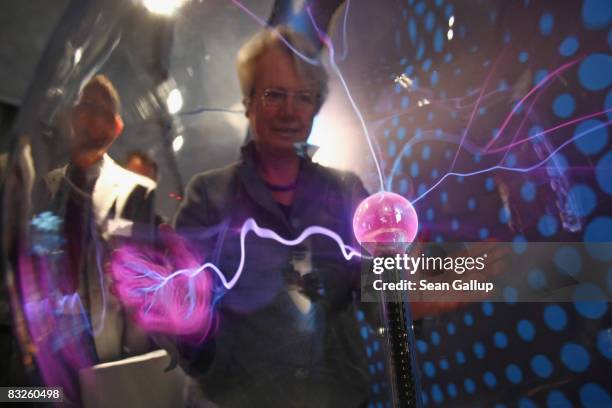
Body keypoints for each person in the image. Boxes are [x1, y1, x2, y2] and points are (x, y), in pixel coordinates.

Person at [172, 27, 373, 407]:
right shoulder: (209, 196)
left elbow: (376, 296)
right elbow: (189, 327)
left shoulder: (345, 191)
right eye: (274, 94)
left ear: (315, 107)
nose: (289, 111)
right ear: (248, 102)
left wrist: (427, 290)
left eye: (303, 97)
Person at [40, 75, 157, 365]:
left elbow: (144, 283)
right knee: (27, 397)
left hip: (105, 341)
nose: (90, 119)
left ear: (116, 127)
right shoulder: (47, 186)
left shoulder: (138, 192)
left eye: (102, 112)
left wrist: (136, 360)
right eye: (85, 106)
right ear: (71, 115)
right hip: (51, 334)